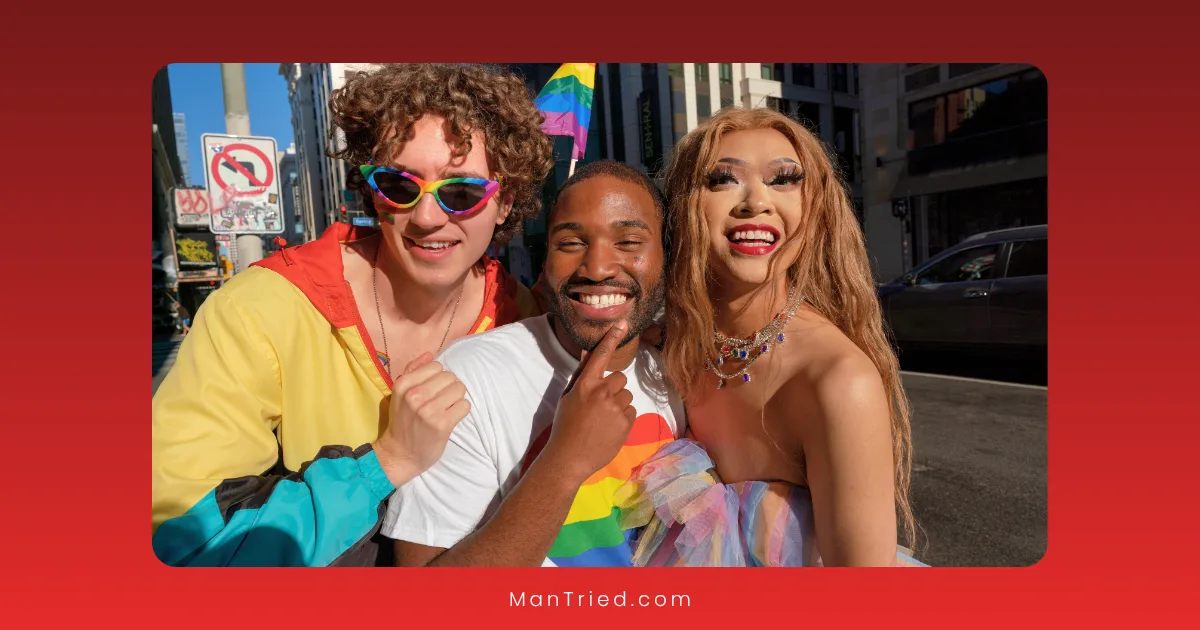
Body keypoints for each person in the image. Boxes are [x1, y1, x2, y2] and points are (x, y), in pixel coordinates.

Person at [151, 64, 553, 567]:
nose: (427, 218)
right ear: (372, 193)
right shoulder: (257, 312)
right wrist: (387, 462)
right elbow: (183, 542)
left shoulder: (528, 321)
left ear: (505, 201)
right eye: (399, 185)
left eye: (462, 192)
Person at [615, 107, 925, 567]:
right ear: (681, 207)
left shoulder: (838, 381)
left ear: (815, 209)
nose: (755, 201)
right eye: (723, 179)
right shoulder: (671, 341)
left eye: (784, 179)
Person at [381, 160, 685, 567]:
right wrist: (564, 463)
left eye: (629, 242)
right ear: (545, 261)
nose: (597, 268)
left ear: (667, 260)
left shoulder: (684, 371)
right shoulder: (468, 380)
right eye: (571, 243)